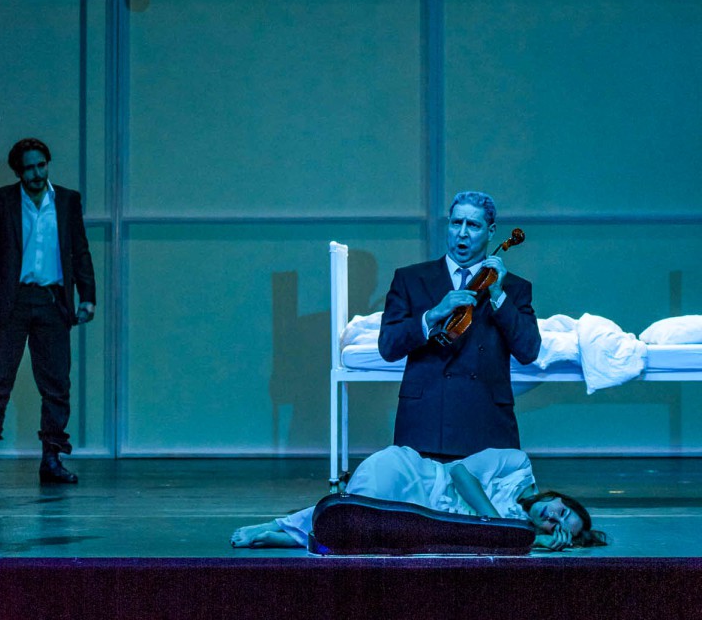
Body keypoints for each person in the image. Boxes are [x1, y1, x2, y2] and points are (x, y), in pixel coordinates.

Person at [0, 138, 96, 485]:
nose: (37, 173)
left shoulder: (67, 200)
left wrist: (87, 296)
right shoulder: (1, 201)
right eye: (29, 168)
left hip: (53, 302)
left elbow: (80, 251)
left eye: (42, 165)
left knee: (56, 385)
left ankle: (52, 458)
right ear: (18, 172)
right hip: (11, 302)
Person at [378, 190, 541, 458]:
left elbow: (528, 350)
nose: (462, 233)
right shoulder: (410, 279)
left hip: (487, 425)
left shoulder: (514, 288)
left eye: (473, 225)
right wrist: (432, 315)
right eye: (456, 223)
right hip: (425, 423)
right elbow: (388, 347)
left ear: (491, 231)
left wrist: (498, 295)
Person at [230, 446, 607, 550]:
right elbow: (461, 473)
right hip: (415, 477)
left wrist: (534, 540)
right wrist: (498, 525)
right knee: (362, 507)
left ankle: (293, 536)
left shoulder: (522, 531)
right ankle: (279, 526)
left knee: (374, 531)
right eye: (562, 512)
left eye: (558, 527)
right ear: (561, 498)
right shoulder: (518, 465)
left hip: (424, 517)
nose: (553, 518)